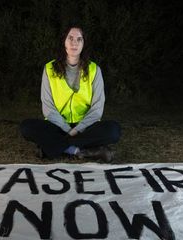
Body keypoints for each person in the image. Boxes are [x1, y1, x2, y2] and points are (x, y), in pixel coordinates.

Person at [20, 25, 121, 161]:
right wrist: (67, 129)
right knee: (27, 127)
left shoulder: (94, 69)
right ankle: (79, 150)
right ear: (64, 42)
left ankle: (54, 147)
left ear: (83, 44)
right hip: (58, 125)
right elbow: (48, 107)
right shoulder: (49, 68)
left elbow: (97, 108)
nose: (74, 42)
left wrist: (78, 129)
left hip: (86, 127)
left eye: (79, 39)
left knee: (114, 130)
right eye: (70, 38)